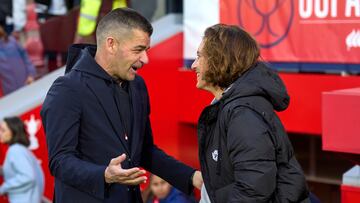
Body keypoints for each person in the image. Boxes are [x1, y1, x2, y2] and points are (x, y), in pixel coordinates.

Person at [40, 8, 202, 203]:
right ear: (111, 44)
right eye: (138, 49)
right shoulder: (67, 89)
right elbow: (60, 161)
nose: (145, 59)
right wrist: (104, 175)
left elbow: (145, 151)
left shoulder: (138, 86)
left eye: (146, 50)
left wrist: (192, 177)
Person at [191, 24, 310, 202]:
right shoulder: (230, 106)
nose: (194, 65)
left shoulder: (242, 114)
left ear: (220, 59)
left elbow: (252, 191)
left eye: (200, 56)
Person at [0, 116, 45, 203]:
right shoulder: (22, 150)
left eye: (3, 130)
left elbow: (28, 176)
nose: (0, 133)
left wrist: (3, 188)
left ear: (13, 131)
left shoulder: (15, 150)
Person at [0, 24, 36, 95]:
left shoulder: (12, 41)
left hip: (26, 82)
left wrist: (31, 74)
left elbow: (26, 57)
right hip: (9, 91)